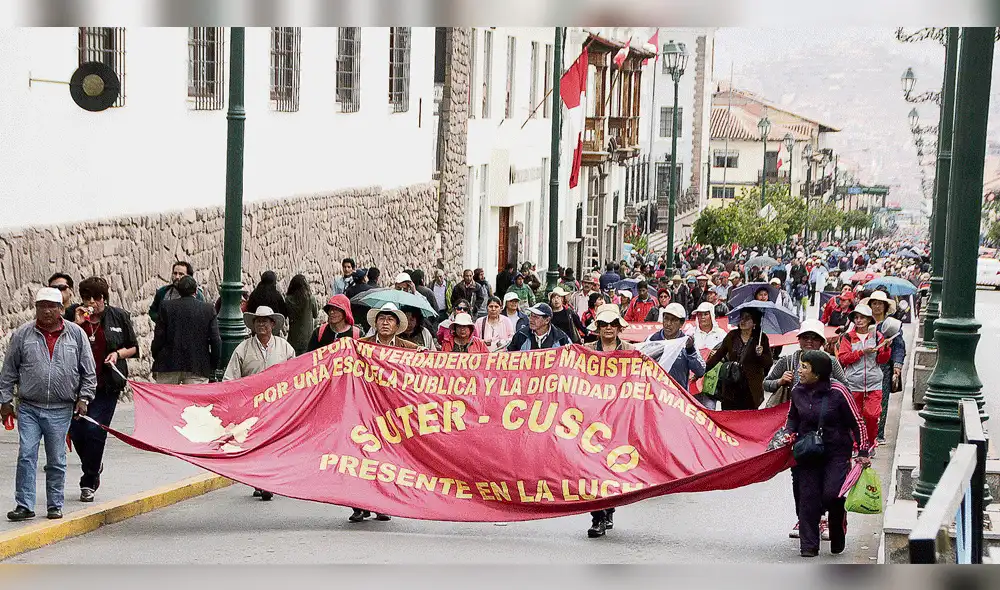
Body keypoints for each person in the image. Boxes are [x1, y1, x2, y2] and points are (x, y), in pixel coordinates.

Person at [1, 288, 96, 521]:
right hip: (29, 407)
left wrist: (84, 398)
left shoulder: (76, 335)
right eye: (41, 306)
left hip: (61, 408)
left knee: (56, 459)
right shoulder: (23, 334)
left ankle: (54, 504)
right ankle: (24, 504)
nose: (46, 311)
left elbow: (89, 372)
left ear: (61, 309)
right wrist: (5, 401)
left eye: (51, 306)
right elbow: (8, 372)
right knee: (26, 455)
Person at [784, 350, 870, 558]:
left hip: (836, 451)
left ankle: (838, 526)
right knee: (808, 497)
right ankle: (809, 546)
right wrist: (788, 433)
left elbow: (857, 422)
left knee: (832, 495)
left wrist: (863, 450)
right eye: (800, 366)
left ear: (818, 372)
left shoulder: (838, 392)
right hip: (807, 451)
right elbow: (792, 418)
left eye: (804, 367)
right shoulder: (797, 391)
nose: (799, 370)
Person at [66, 277, 138, 503]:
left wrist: (117, 354)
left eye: (96, 298)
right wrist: (77, 325)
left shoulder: (118, 316)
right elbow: (64, 344)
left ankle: (88, 481)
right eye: (86, 297)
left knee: (96, 431)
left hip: (107, 385)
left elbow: (134, 347)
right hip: (77, 386)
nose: (91, 302)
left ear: (104, 298)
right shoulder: (72, 315)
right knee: (77, 431)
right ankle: (93, 464)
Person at [351, 303, 417, 523]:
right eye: (382, 319)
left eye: (390, 320)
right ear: (375, 323)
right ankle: (359, 504)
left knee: (388, 459)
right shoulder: (361, 346)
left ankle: (382, 504)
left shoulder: (408, 348)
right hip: (366, 408)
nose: (385, 323)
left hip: (394, 410)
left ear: (397, 325)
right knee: (362, 456)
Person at [222, 306, 296, 501]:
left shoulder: (285, 348)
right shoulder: (243, 349)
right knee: (254, 443)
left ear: (273, 324)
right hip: (251, 407)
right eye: (258, 321)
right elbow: (230, 378)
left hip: (276, 405)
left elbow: (295, 376)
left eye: (265, 321)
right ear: (253, 325)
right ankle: (259, 480)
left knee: (273, 442)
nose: (261, 324)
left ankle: (267, 481)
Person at [582, 303, 634, 539]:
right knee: (592, 467)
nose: (609, 328)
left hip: (619, 418)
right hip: (592, 418)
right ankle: (597, 518)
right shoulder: (586, 350)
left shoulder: (630, 351)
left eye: (613, 324)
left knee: (613, 466)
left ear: (618, 327)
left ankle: (609, 507)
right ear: (598, 328)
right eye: (604, 324)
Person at [150, 276, 221, 385]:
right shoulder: (208, 309)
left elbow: (159, 338)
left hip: (169, 363)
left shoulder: (166, 307)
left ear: (178, 291)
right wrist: (213, 365)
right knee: (194, 401)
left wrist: (157, 356)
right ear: (196, 291)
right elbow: (215, 340)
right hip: (198, 365)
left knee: (166, 400)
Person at [838, 303, 891, 448]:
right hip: (854, 382)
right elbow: (843, 358)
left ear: (869, 320)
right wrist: (862, 352)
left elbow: (882, 360)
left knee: (872, 416)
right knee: (854, 417)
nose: (859, 320)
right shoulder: (848, 337)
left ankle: (870, 441)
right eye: (856, 317)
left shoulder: (878, 336)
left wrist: (886, 349)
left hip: (874, 382)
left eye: (862, 318)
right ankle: (857, 444)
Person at [705, 309, 773, 410]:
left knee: (747, 419)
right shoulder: (732, 336)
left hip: (750, 390)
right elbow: (718, 356)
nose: (742, 321)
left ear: (754, 322)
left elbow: (768, 363)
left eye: (747, 318)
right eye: (741, 318)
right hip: (730, 385)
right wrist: (702, 371)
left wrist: (761, 354)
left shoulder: (761, 338)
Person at [646, 303, 708, 406]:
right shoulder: (651, 340)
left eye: (673, 320)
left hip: (678, 400)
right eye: (666, 319)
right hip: (654, 397)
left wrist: (690, 350)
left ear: (681, 323)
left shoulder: (687, 342)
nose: (668, 324)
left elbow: (700, 370)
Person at [863, 291, 905, 443]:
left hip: (884, 367)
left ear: (885, 306)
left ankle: (878, 434)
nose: (877, 306)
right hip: (864, 366)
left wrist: (897, 366)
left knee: (882, 400)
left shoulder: (891, 325)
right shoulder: (863, 322)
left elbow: (899, 347)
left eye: (880, 303)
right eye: (874, 303)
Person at [506, 303, 572, 351]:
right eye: (530, 315)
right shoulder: (521, 335)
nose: (531, 319)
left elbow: (572, 355)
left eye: (535, 317)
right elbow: (508, 354)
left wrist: (569, 350)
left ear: (547, 320)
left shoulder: (561, 338)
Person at [285, 274, 319, 355]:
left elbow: (286, 315)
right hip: (308, 338)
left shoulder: (288, 300)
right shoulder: (310, 299)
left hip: (293, 338)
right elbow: (315, 314)